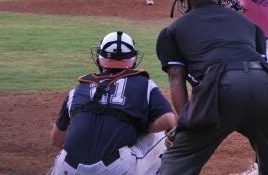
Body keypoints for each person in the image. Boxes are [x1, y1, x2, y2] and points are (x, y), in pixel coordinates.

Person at [156, 0, 268, 175]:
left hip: (222, 90)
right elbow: (261, 63)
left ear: (186, 1)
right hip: (266, 86)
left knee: (179, 160)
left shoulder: (172, 30)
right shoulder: (250, 25)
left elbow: (176, 77)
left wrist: (185, 121)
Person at [49, 31, 176, 175]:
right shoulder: (144, 83)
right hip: (116, 169)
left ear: (99, 58)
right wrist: (139, 126)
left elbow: (57, 140)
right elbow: (169, 120)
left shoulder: (78, 88)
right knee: (162, 136)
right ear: (133, 59)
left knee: (62, 157)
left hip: (68, 168)